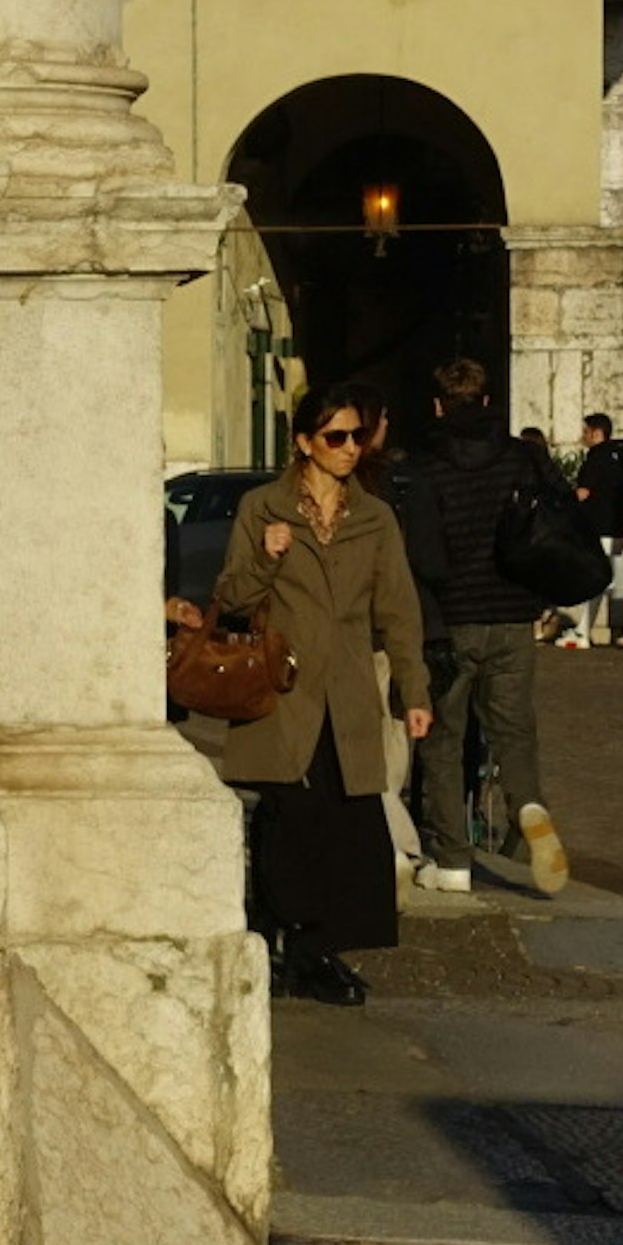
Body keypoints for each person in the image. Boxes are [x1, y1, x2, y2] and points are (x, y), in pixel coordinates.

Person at [211, 383, 431, 1003]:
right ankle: (273, 936)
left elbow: (399, 610)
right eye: (336, 437)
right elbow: (233, 599)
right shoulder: (263, 508)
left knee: (349, 819)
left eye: (358, 436)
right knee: (288, 818)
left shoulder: (375, 517)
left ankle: (317, 952)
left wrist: (414, 692)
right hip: (283, 688)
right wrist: (268, 555)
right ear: (305, 442)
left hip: (351, 690)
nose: (350, 448)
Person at [387, 360, 574, 897]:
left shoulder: (425, 466)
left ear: (438, 405)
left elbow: (423, 554)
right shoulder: (522, 458)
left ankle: (452, 862)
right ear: (489, 401)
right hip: (513, 613)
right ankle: (529, 805)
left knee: (443, 740)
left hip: (450, 620)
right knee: (514, 730)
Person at [566, 411, 623, 651]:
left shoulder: (596, 457)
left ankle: (583, 630)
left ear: (596, 433)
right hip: (619, 526)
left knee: (596, 580)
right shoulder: (622, 457)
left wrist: (563, 503)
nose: (583, 436)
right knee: (619, 581)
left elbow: (584, 491)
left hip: (598, 526)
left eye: (585, 431)